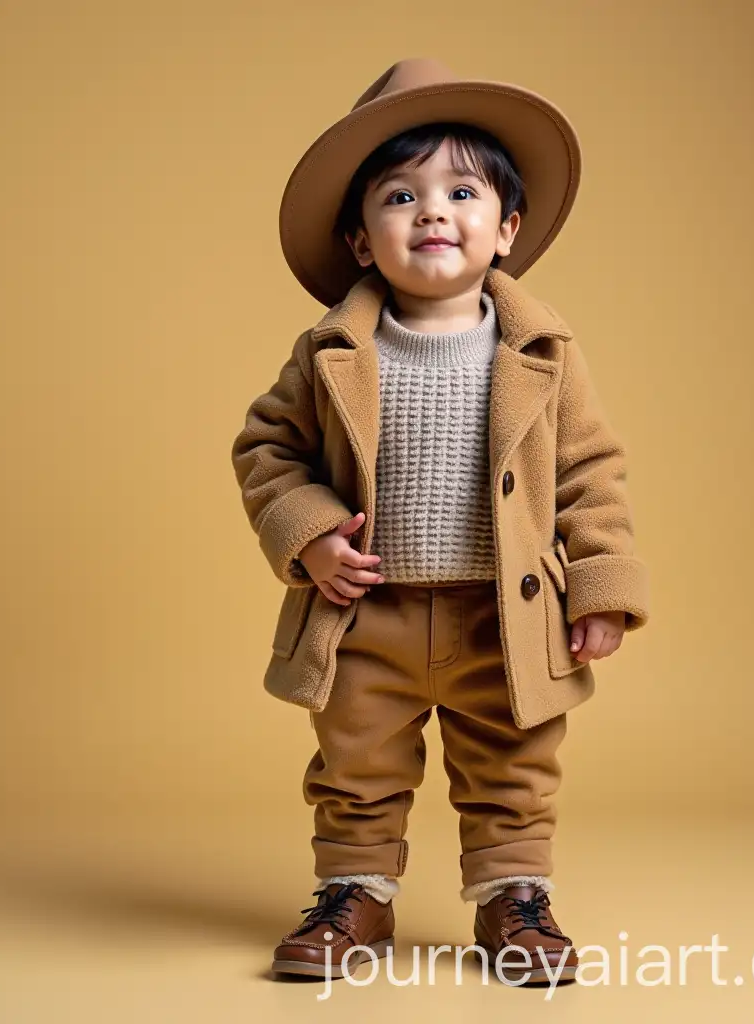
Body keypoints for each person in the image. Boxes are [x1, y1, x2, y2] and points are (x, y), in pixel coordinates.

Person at [230, 58, 651, 985]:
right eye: (399, 195)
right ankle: (355, 895)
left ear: (505, 230)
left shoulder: (542, 350)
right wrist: (307, 533)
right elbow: (266, 451)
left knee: (514, 764)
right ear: (359, 238)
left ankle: (515, 897)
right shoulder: (332, 350)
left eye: (461, 191)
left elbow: (590, 473)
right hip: (366, 612)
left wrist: (602, 588)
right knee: (356, 764)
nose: (431, 212)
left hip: (502, 616)